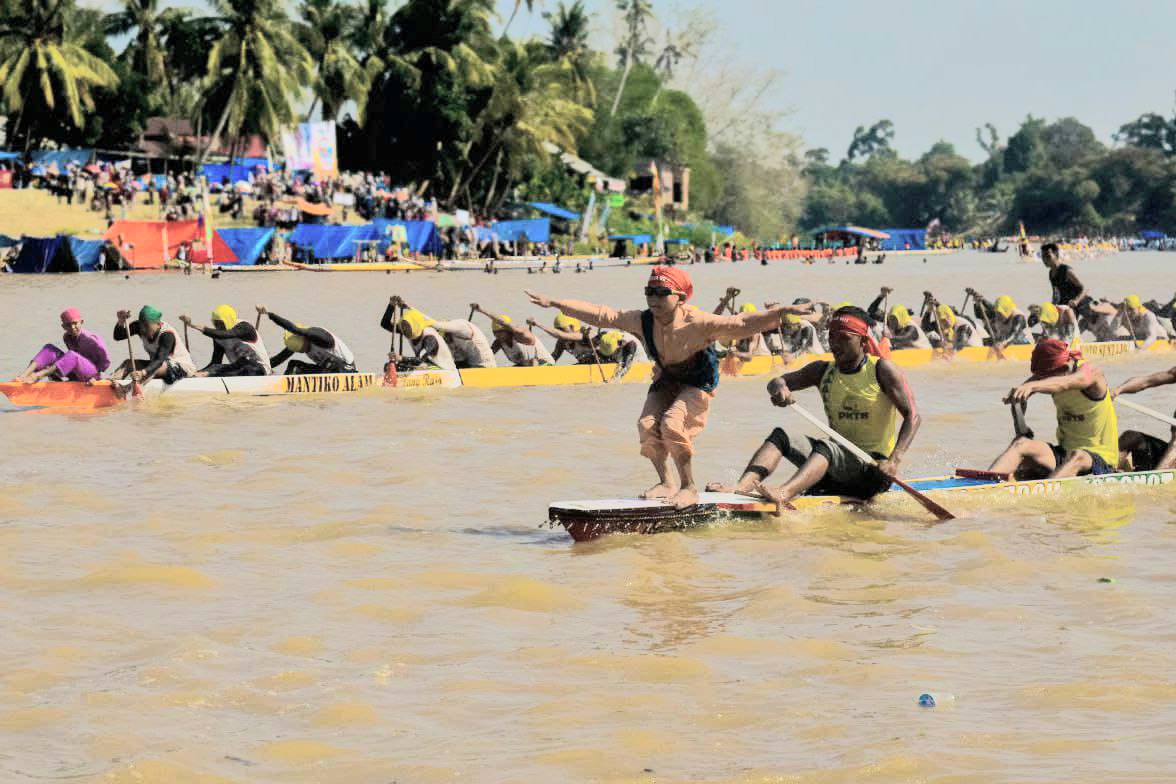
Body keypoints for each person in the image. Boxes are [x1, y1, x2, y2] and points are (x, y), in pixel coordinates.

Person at [525, 266, 814, 508]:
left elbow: (740, 323)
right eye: (650, 292)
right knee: (647, 424)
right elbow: (603, 315)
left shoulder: (698, 321)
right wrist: (556, 303)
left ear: (680, 298)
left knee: (672, 424)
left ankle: (689, 488)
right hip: (666, 377)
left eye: (662, 293)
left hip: (698, 380)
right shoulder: (642, 319)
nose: (654, 298)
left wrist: (781, 313)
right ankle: (666, 482)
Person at [705, 306, 921, 511]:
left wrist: (894, 460)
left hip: (872, 469)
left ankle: (783, 493)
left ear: (864, 342)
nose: (836, 344)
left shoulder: (881, 369)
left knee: (827, 447)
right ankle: (741, 488)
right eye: (832, 337)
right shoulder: (822, 370)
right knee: (782, 436)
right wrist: (780, 389)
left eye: (845, 338)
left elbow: (913, 416)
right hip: (837, 465)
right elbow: (776, 382)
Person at [988, 338, 1118, 478]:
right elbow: (1018, 400)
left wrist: (1032, 386)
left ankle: (1045, 494)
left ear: (1064, 367)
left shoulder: (1091, 371)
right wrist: (1020, 425)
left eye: (1044, 378)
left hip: (1100, 460)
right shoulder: (1048, 375)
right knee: (1021, 444)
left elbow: (1067, 383)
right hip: (1064, 453)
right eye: (1040, 377)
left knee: (1078, 455)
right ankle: (982, 483)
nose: (1040, 380)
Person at [384, 297, 495, 369]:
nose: (444, 339)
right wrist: (391, 306)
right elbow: (386, 325)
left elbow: (435, 323)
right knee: (391, 366)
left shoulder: (459, 327)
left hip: (483, 367)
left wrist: (409, 307)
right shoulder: (412, 331)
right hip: (461, 365)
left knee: (421, 365)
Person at [15, 308, 110, 383]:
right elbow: (69, 359)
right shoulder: (66, 337)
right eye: (68, 325)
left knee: (72, 355)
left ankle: (37, 376)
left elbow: (106, 362)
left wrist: (98, 378)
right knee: (49, 349)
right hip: (76, 370)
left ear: (81, 322)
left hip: (93, 374)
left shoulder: (91, 339)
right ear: (63, 327)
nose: (72, 327)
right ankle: (23, 375)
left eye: (75, 323)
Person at [111, 306, 197, 386]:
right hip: (156, 366)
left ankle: (130, 390)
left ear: (158, 324)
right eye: (142, 326)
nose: (144, 330)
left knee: (156, 367)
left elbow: (159, 360)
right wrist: (121, 321)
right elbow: (118, 336)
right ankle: (111, 384)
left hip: (183, 368)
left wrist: (142, 373)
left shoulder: (167, 335)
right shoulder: (138, 327)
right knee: (128, 363)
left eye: (147, 326)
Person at [259, 305, 357, 374]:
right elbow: (279, 359)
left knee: (329, 363)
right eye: (301, 351)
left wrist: (269, 314)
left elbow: (294, 329)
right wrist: (260, 367)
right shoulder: (299, 343)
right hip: (327, 371)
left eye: (304, 348)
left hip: (346, 369)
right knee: (293, 366)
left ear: (305, 339)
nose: (304, 351)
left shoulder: (320, 336)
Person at [179, 305, 271, 377]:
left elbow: (227, 334)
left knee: (244, 364)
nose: (218, 327)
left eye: (221, 323)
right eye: (216, 324)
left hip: (258, 368)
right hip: (237, 369)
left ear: (228, 320)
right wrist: (196, 373)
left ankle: (211, 376)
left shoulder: (244, 327)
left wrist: (193, 325)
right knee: (215, 367)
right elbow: (216, 361)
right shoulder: (217, 336)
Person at [1113, 365, 1176, 471]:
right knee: (1131, 437)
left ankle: (1157, 480)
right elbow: (1146, 381)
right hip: (1169, 455)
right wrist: (1117, 390)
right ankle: (1107, 472)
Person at [379, 301, 456, 371]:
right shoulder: (408, 329)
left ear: (416, 326)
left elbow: (420, 359)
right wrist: (391, 306)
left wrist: (401, 358)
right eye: (403, 329)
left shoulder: (429, 337)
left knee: (412, 367)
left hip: (444, 368)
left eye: (407, 328)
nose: (405, 331)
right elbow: (385, 324)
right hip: (424, 364)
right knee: (389, 366)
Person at [471, 304, 555, 367]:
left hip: (546, 365)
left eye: (499, 333)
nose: (497, 336)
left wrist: (481, 310)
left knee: (532, 362)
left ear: (508, 331)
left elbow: (503, 322)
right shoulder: (499, 343)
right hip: (525, 367)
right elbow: (486, 357)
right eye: (495, 333)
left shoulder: (521, 335)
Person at [1043, 242, 1094, 322]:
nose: (1045, 260)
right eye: (1043, 257)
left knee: (1094, 324)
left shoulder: (1066, 270)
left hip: (1081, 303)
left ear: (1056, 255)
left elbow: (1085, 288)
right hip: (1067, 306)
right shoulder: (1051, 273)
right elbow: (1056, 293)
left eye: (1048, 256)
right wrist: (1051, 307)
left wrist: (1076, 301)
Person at [528, 314, 597, 364]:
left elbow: (560, 335)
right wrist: (538, 363)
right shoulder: (562, 342)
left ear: (572, 327)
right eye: (557, 330)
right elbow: (552, 359)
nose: (559, 333)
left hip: (603, 364)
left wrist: (538, 324)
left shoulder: (586, 334)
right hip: (584, 366)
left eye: (561, 329)